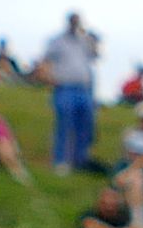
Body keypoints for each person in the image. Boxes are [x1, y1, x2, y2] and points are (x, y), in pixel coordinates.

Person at [40, 13, 100, 171]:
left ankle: (80, 160)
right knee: (65, 124)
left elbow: (95, 55)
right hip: (65, 87)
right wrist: (49, 78)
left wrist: (89, 38)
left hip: (84, 89)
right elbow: (46, 60)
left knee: (86, 125)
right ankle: (60, 160)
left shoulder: (84, 41)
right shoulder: (58, 41)